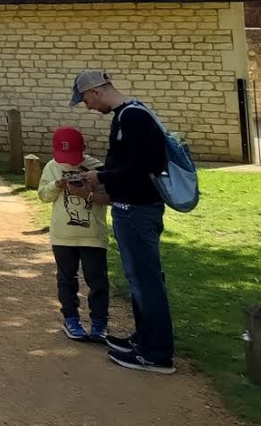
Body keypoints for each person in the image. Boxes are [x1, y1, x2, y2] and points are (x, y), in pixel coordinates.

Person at [74, 70, 178, 375]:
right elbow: (129, 162)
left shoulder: (133, 116)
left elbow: (142, 165)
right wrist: (103, 175)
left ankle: (157, 354)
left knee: (146, 281)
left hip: (138, 208)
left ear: (95, 91)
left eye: (85, 99)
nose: (87, 106)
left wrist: (102, 176)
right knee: (138, 279)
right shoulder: (126, 115)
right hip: (129, 206)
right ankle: (143, 339)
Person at [38, 125, 111, 343]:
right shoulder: (52, 166)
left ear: (84, 148)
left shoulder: (97, 168)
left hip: (92, 235)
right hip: (63, 235)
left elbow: (109, 197)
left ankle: (99, 322)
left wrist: (85, 192)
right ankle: (71, 318)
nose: (69, 163)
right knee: (66, 278)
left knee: (97, 280)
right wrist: (57, 184)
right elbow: (43, 195)